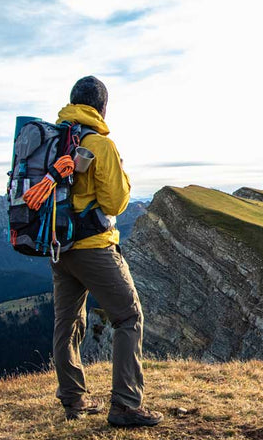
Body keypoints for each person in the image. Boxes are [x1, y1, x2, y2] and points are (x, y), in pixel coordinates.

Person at [50, 76, 163, 427]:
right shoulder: (100, 145)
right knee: (128, 316)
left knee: (67, 322)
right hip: (94, 248)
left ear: (73, 102)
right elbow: (115, 201)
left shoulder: (54, 141)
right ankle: (127, 405)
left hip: (58, 247)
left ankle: (74, 400)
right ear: (101, 108)